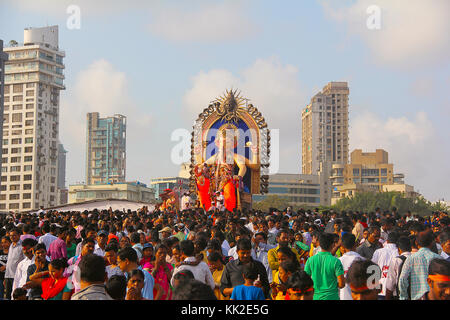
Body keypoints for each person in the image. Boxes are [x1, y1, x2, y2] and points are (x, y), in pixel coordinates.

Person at [398, 230, 444, 300]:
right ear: (431, 243)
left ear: (416, 243)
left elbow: (402, 279)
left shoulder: (411, 258)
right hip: (434, 297)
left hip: (417, 297)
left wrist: (403, 297)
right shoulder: (438, 258)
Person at [304, 232, 345, 300]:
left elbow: (305, 280)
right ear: (332, 245)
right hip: (332, 297)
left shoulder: (310, 260)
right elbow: (341, 284)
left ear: (319, 244)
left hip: (316, 297)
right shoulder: (336, 261)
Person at [371, 231, 400, 299]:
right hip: (395, 291)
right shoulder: (399, 252)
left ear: (387, 240)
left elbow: (372, 269)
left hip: (380, 289)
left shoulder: (378, 252)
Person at [339, 233, 365, 300]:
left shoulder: (338, 261)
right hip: (359, 296)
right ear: (355, 244)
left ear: (342, 246)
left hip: (343, 296)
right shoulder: (362, 260)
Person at [4, 228, 23, 300]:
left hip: (16, 276)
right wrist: (6, 277)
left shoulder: (22, 246)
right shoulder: (11, 245)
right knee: (8, 296)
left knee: (16, 297)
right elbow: (9, 262)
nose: (12, 237)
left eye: (14, 235)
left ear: (19, 235)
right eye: (10, 235)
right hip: (8, 276)